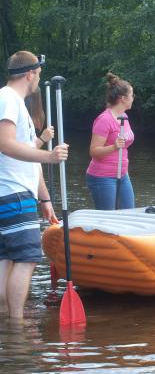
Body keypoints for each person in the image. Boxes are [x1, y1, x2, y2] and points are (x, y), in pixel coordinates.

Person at [0, 51, 69, 320]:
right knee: (26, 259)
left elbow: (28, 156)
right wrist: (49, 156)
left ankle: (6, 322)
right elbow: (5, 144)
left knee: (6, 259)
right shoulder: (8, 98)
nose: (38, 79)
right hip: (13, 193)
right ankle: (16, 326)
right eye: (38, 74)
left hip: (15, 193)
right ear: (30, 73)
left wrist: (45, 200)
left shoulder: (17, 104)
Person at [86, 72, 135, 210]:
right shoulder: (104, 120)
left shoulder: (124, 116)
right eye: (132, 95)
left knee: (129, 213)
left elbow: (125, 144)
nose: (133, 98)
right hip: (103, 177)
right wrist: (113, 147)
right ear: (123, 98)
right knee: (108, 219)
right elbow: (93, 151)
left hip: (122, 174)